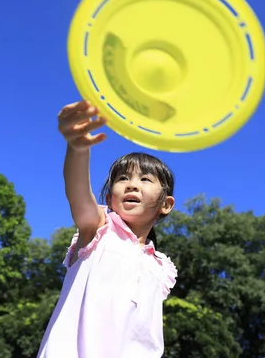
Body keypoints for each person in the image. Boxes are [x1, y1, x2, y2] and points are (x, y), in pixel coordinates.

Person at [37, 100, 178, 357]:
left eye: (145, 179)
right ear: (110, 196)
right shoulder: (100, 230)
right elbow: (79, 196)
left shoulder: (161, 268)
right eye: (123, 178)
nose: (131, 185)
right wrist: (78, 148)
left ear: (166, 204)